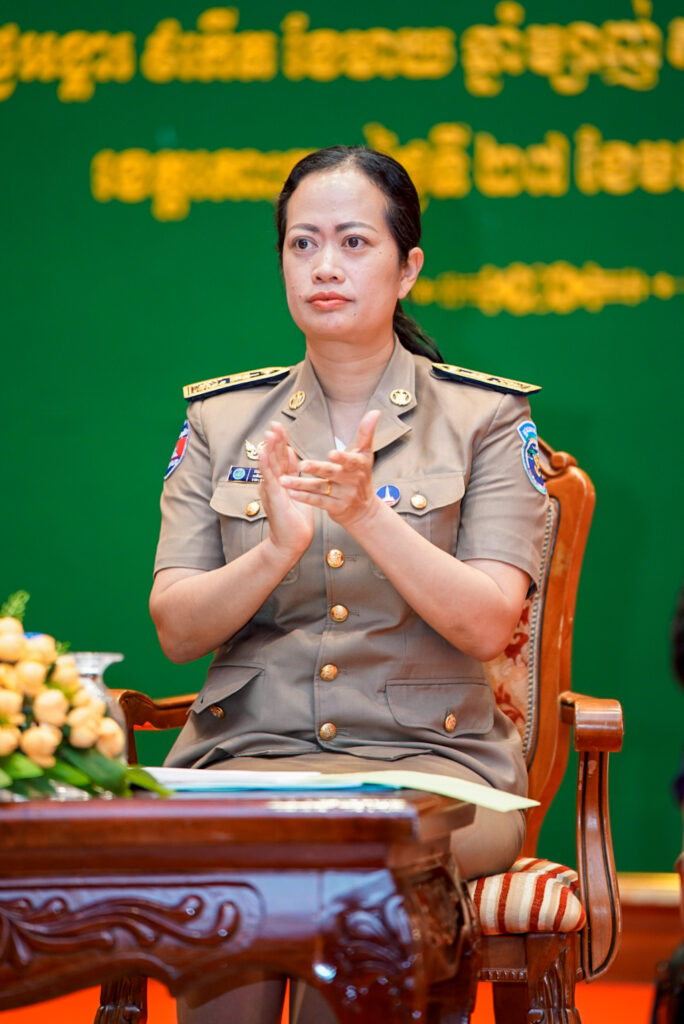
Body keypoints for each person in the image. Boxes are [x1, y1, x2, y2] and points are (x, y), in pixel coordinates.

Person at [150, 145, 549, 1023]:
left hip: (433, 771)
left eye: (354, 242)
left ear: (408, 269)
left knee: (350, 876)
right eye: (303, 244)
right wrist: (271, 553)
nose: (325, 266)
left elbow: (489, 625)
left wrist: (368, 514)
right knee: (230, 879)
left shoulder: (486, 418)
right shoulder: (220, 420)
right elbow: (177, 629)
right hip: (247, 765)